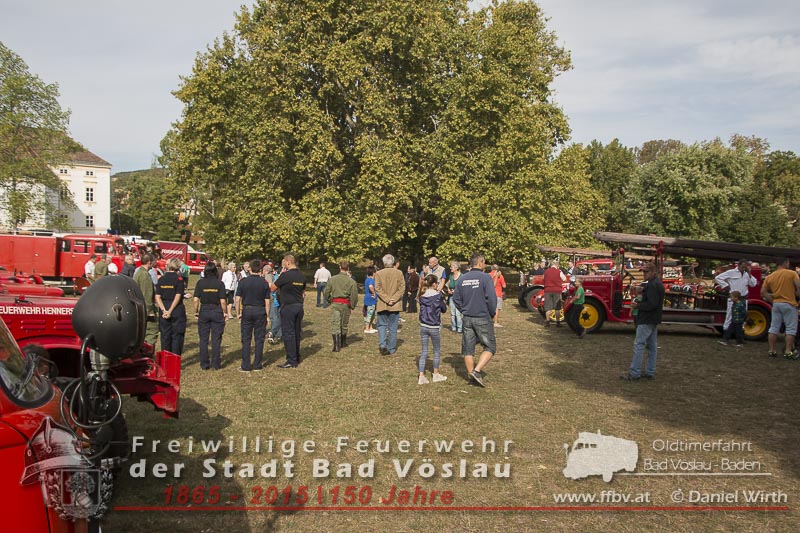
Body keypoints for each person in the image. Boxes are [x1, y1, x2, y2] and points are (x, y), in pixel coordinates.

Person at [453, 253, 497, 388]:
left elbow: (456, 299)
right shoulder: (486, 278)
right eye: (484, 262)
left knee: (468, 348)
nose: (485, 265)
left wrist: (464, 310)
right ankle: (476, 372)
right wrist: (491, 313)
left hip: (467, 317)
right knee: (490, 346)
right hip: (482, 316)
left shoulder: (462, 279)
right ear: (480, 263)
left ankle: (471, 377)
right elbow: (492, 298)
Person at [621, 262, 665, 381]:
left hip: (646, 319)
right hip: (653, 319)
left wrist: (638, 305)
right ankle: (650, 371)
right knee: (651, 346)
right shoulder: (656, 284)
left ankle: (634, 373)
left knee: (639, 345)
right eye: (643, 272)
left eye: (646, 272)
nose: (644, 274)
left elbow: (652, 304)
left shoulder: (652, 285)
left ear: (653, 272)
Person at [271, 253, 306, 368]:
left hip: (288, 307)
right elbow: (303, 293)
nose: (283, 264)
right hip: (299, 306)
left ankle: (291, 360)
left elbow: (272, 288)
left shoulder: (285, 275)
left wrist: (280, 275)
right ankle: (296, 356)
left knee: (288, 333)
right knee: (296, 332)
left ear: (288, 262)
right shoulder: (301, 275)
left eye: (284, 262)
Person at [234, 259, 270, 372]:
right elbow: (267, 301)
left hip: (247, 310)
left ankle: (245, 365)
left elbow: (237, 299)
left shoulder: (243, 282)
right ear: (260, 269)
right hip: (260, 310)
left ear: (249, 268)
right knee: (259, 338)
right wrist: (267, 316)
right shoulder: (264, 283)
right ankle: (257, 364)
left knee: (246, 338)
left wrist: (238, 313)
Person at [760, 258, 800, 359]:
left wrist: (772, 300)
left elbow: (763, 292)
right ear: (785, 263)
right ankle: (788, 351)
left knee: (773, 328)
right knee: (791, 329)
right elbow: (798, 287)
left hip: (776, 304)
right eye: (788, 263)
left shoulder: (770, 276)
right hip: (789, 303)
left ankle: (772, 350)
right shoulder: (792, 273)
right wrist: (797, 294)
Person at [193, 263, 227, 370]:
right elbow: (223, 301)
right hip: (216, 310)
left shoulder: (200, 283)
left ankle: (204, 364)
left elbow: (195, 300)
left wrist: (196, 311)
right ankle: (215, 364)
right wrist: (225, 312)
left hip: (204, 310)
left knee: (203, 339)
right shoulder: (220, 283)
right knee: (216, 339)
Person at [417, 274, 448, 385]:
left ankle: (421, 376)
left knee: (424, 351)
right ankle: (435, 374)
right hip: (434, 326)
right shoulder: (438, 296)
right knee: (436, 351)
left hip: (423, 326)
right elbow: (444, 309)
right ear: (434, 284)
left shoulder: (422, 296)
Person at [324, 260, 359, 351]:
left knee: (335, 323)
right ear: (348, 268)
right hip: (345, 304)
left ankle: (336, 346)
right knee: (344, 324)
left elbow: (326, 292)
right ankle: (343, 342)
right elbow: (354, 295)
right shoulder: (351, 281)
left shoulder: (332, 279)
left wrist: (329, 299)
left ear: (340, 267)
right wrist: (352, 305)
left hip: (335, 303)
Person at [155, 258, 187, 355]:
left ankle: (166, 359)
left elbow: (157, 297)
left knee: (165, 336)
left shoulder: (161, 279)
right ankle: (175, 359)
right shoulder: (179, 280)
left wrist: (164, 310)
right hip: (176, 310)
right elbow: (178, 296)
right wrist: (170, 311)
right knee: (177, 336)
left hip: (164, 308)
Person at [374, 254, 405, 355]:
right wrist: (393, 299)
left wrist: (387, 300)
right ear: (393, 262)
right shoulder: (399, 273)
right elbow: (402, 288)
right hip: (394, 305)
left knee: (382, 325)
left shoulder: (379, 273)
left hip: (383, 303)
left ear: (384, 263)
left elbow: (377, 288)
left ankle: (383, 345)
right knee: (393, 327)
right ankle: (391, 348)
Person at [715, 259, 756, 334]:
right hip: (733, 298)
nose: (743, 268)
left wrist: (749, 274)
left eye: (745, 267)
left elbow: (753, 284)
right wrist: (725, 286)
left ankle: (740, 334)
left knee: (742, 316)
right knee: (730, 316)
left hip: (743, 299)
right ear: (739, 265)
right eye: (742, 267)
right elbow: (718, 278)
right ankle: (726, 333)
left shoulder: (747, 274)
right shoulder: (731, 272)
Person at [133, 253, 158, 348]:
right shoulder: (144, 275)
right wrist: (150, 311)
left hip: (139, 309)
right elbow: (146, 294)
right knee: (152, 331)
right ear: (149, 262)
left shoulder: (139, 272)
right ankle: (147, 351)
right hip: (145, 310)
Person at [543, 259, 566, 326]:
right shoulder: (559, 271)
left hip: (548, 290)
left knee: (548, 307)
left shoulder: (546, 271)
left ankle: (547, 322)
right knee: (557, 307)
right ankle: (558, 322)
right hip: (557, 290)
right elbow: (564, 279)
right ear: (557, 265)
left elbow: (543, 278)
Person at [446, 260, 463, 333]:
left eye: (451, 267)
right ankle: (453, 327)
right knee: (452, 313)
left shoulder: (462, 276)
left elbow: (463, 287)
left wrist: (456, 291)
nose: (450, 268)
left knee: (458, 314)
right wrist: (448, 289)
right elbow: (448, 284)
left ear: (456, 268)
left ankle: (460, 328)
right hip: (451, 297)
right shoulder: (451, 276)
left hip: (459, 297)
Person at [363, 266, 378, 334]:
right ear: (373, 273)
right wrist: (374, 292)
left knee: (372, 314)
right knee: (370, 313)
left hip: (367, 298)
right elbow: (370, 286)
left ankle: (370, 327)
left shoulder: (367, 279)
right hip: (370, 299)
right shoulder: (371, 280)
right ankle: (367, 328)